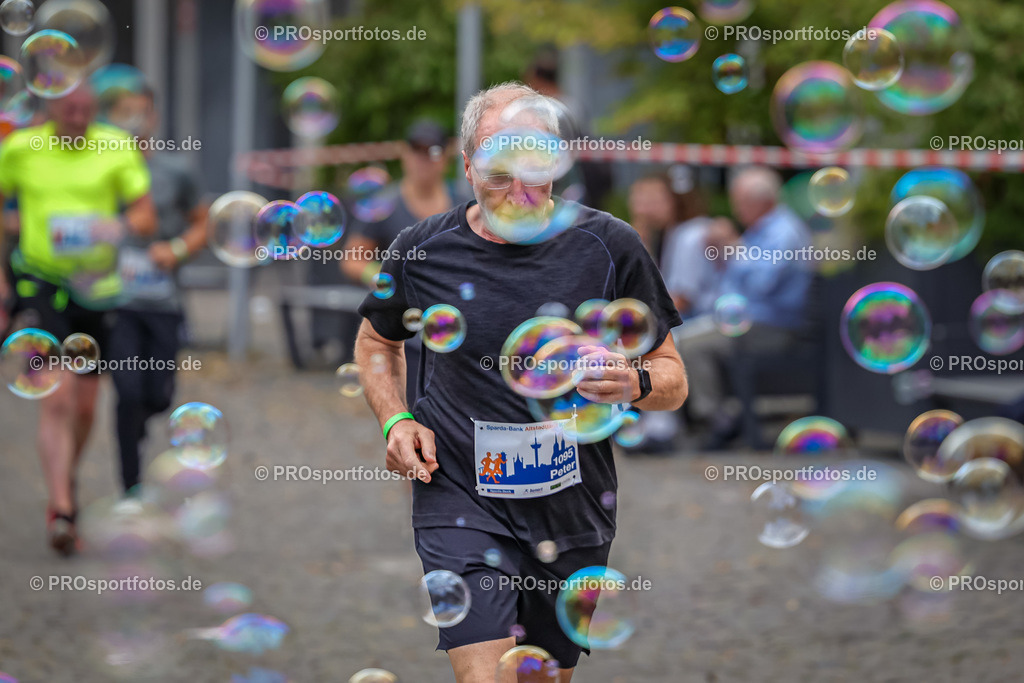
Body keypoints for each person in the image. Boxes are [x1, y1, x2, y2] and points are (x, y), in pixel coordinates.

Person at [354, 82, 687, 682]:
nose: (519, 190)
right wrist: (396, 419)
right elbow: (378, 341)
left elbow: (673, 378)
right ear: (467, 166)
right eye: (498, 171)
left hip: (571, 510)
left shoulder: (609, 247)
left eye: (534, 167)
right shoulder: (422, 250)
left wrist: (633, 381)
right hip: (457, 496)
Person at [0, 84, 156, 554]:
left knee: (86, 407)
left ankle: (64, 474)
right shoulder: (20, 148)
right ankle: (63, 509)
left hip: (98, 291)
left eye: (85, 110)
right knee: (57, 396)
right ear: (50, 108)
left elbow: (145, 217)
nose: (76, 116)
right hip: (39, 284)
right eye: (69, 109)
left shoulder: (116, 145)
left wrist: (121, 226)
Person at [103, 84, 208, 494]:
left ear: (153, 119)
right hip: (117, 302)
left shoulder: (175, 172)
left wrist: (178, 248)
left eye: (140, 113)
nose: (132, 122)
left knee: (159, 396)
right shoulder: (101, 169)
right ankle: (130, 483)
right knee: (127, 391)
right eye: (123, 113)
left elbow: (204, 221)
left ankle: (140, 425)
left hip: (164, 301)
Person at [675, 165, 812, 450]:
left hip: (771, 328)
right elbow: (735, 286)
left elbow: (763, 283)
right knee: (683, 336)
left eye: (741, 202)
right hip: (748, 323)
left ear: (762, 201)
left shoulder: (783, 231)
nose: (737, 210)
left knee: (690, 344)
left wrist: (733, 246)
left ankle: (717, 421)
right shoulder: (760, 231)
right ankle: (716, 417)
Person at [342, 119, 463, 404]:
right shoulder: (384, 204)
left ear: (445, 158)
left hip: (455, 331)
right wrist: (384, 277)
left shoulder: (462, 203)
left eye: (432, 151)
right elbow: (352, 259)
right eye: (416, 150)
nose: (423, 159)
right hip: (404, 337)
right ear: (404, 154)